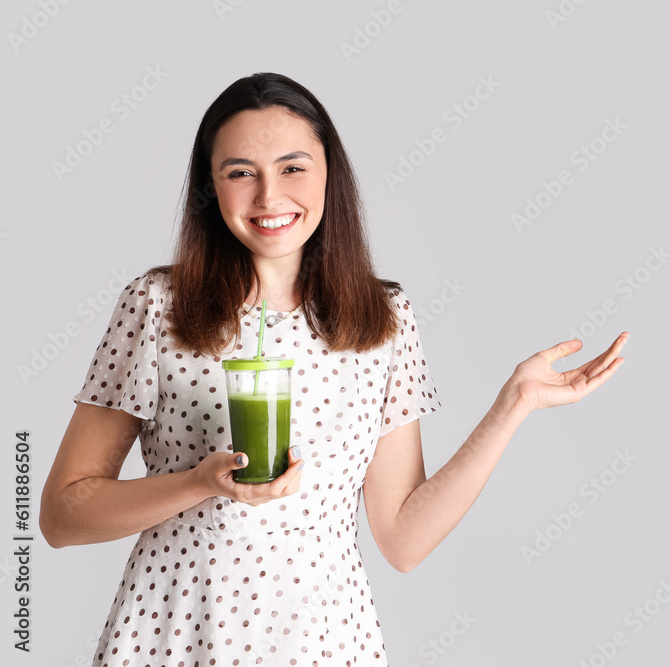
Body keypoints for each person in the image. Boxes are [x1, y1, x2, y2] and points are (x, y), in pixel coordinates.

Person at [39, 71, 629, 666]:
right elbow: (63, 515)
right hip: (174, 633)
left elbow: (403, 539)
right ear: (210, 187)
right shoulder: (158, 305)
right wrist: (198, 483)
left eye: (293, 167)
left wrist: (512, 407)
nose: (269, 197)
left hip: (321, 641)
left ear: (329, 174)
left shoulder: (383, 318)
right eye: (241, 172)